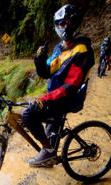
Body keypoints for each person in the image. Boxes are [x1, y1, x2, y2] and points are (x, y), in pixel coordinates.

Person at [22, 4, 94, 167]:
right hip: (57, 95)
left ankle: (48, 151)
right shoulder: (59, 48)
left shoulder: (82, 50)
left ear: (77, 24)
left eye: (70, 22)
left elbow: (71, 87)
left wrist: (45, 99)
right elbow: (47, 72)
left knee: (28, 115)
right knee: (50, 125)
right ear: (57, 26)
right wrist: (39, 61)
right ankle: (50, 151)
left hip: (68, 98)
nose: (66, 26)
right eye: (62, 23)